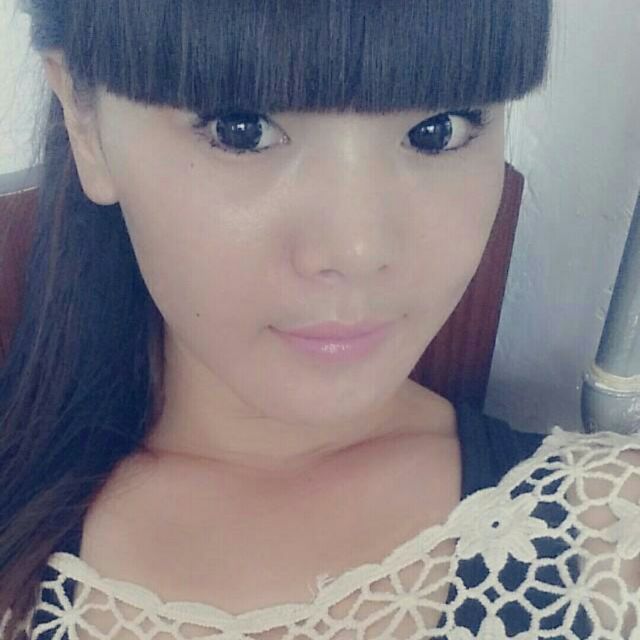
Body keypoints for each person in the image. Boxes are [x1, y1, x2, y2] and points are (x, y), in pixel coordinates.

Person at [0, 1, 638, 638]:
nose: (355, 251)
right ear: (84, 120)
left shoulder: (613, 537)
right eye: (242, 129)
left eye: (437, 131)